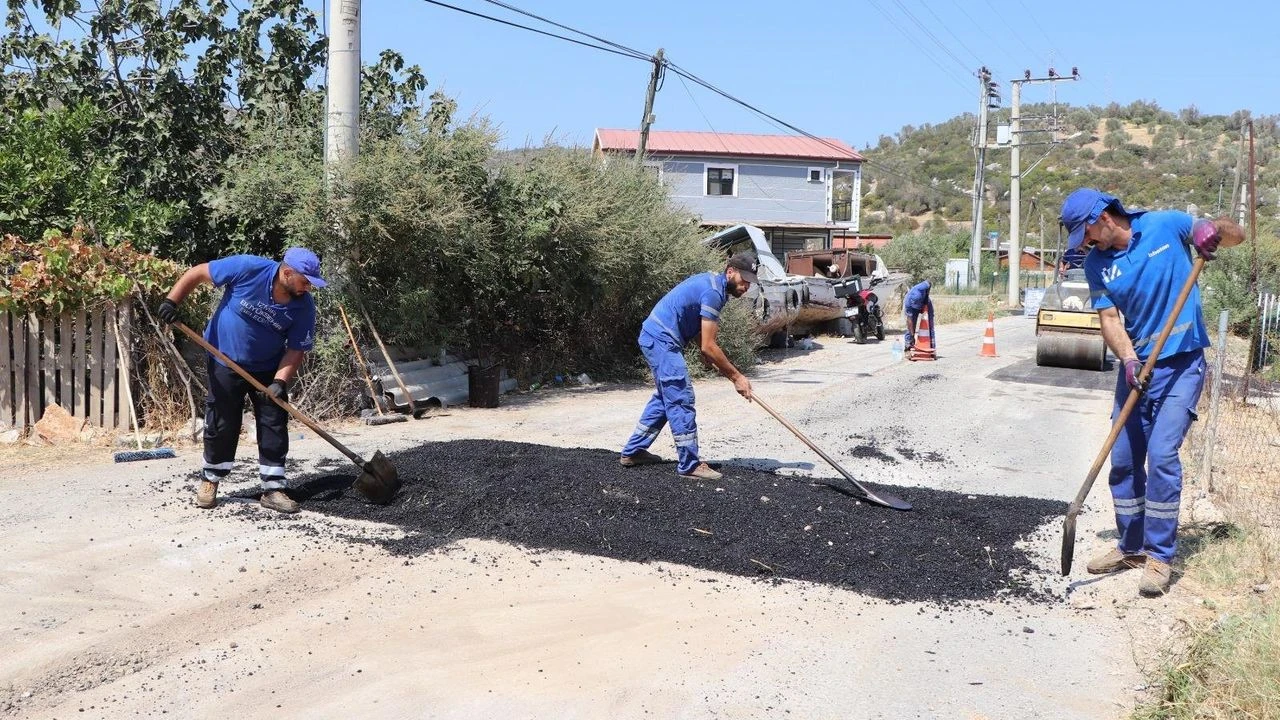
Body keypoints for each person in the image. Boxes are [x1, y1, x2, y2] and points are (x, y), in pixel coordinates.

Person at [1060, 188, 1242, 597]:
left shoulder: (1166, 224)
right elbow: (1109, 319)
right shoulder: (1096, 265)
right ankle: (1131, 545)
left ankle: (1160, 554)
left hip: (1181, 364)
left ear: (1104, 216)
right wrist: (1127, 361)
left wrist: (1214, 232)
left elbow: (1237, 234)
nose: (1085, 242)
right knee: (1123, 461)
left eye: (1085, 232)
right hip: (1137, 368)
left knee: (1161, 456)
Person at [157, 248, 327, 514]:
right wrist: (171, 302)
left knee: (273, 419)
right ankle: (210, 479)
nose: (308, 288)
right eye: (305, 281)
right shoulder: (247, 267)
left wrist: (280, 382)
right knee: (222, 420)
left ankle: (272, 488)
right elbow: (198, 273)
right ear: (287, 272)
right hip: (223, 356)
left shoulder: (303, 306)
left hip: (268, 366)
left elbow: (296, 348)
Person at [619, 252, 757, 481]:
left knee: (667, 398)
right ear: (730, 271)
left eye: (750, 282)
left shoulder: (715, 288)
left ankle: (633, 452)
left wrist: (708, 355)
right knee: (681, 396)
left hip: (656, 337)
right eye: (744, 280)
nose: (747, 286)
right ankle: (690, 464)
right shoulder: (714, 292)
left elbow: (697, 327)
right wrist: (737, 378)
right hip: (661, 340)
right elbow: (709, 346)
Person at [902, 279, 935, 350]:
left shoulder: (922, 287)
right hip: (913, 308)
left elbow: (929, 282)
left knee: (930, 322)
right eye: (916, 305)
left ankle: (932, 343)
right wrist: (912, 335)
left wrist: (927, 295)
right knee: (911, 325)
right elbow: (909, 320)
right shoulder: (908, 303)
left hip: (925, 302)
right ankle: (909, 342)